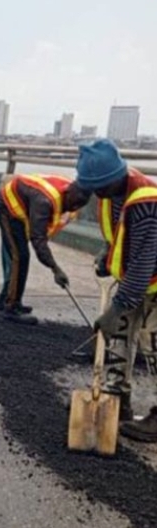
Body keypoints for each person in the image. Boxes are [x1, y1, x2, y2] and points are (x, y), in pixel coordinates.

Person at [76, 139, 157, 442]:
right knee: (120, 336)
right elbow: (122, 236)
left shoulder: (146, 201)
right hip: (138, 279)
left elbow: (144, 260)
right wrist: (107, 254)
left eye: (98, 187)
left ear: (112, 179)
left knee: (153, 341)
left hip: (150, 276)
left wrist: (118, 305)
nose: (94, 194)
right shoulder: (112, 195)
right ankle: (116, 399)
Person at [0, 173, 90, 325]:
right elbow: (38, 240)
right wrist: (55, 268)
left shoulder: (71, 196)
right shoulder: (44, 201)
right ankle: (8, 307)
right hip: (7, 208)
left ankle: (11, 301)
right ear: (67, 193)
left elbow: (45, 230)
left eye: (80, 205)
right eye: (74, 203)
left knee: (21, 255)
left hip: (23, 208)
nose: (74, 208)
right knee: (20, 256)